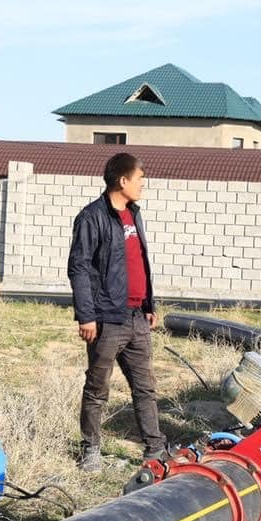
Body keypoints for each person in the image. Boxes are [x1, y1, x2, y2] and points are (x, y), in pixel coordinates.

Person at [67, 152, 167, 472]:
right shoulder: (92, 217)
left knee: (145, 387)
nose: (143, 185)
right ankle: (91, 450)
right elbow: (79, 268)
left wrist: (149, 305)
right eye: (140, 179)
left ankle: (154, 450)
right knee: (98, 389)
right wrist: (86, 315)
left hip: (137, 317)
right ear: (122, 181)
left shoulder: (134, 214)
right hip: (107, 320)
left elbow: (139, 263)